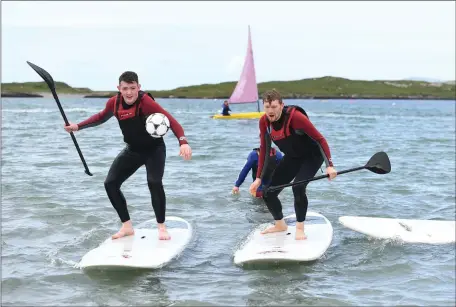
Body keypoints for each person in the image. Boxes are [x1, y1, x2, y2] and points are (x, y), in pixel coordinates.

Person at [63, 71, 192, 241]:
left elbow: (171, 121)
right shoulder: (114, 103)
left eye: (133, 88)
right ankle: (127, 226)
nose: (129, 92)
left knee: (154, 182)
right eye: (125, 88)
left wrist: (183, 142)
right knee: (110, 183)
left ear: (139, 87)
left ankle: (161, 227)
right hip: (133, 150)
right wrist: (77, 126)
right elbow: (101, 117)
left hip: (154, 149)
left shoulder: (146, 102)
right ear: (119, 88)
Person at [249, 89, 337, 240]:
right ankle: (280, 225)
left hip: (312, 156)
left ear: (281, 105)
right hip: (293, 157)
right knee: (268, 191)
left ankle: (300, 228)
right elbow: (264, 149)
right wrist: (258, 178)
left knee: (298, 186)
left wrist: (329, 164)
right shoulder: (264, 122)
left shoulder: (296, 117)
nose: (270, 111)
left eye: (274, 107)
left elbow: (320, 139)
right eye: (267, 107)